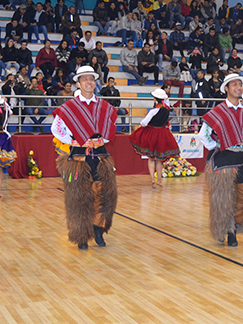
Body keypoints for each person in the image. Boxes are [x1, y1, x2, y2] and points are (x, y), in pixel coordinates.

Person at [51, 66, 118, 250]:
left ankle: (98, 228)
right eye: (85, 79)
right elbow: (56, 129)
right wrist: (74, 141)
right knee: (79, 197)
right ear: (78, 83)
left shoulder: (103, 106)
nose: (89, 82)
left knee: (104, 195)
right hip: (79, 158)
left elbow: (110, 126)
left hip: (101, 156)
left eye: (91, 79)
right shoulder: (69, 107)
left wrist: (98, 141)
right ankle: (81, 234)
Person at [197, 73, 243, 247]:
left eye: (240, 84)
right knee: (223, 199)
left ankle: (234, 222)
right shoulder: (217, 112)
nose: (238, 87)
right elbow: (203, 135)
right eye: (234, 84)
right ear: (226, 88)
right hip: (224, 159)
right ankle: (229, 230)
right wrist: (217, 146)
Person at [130, 89, 181, 188]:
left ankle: (153, 179)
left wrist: (142, 124)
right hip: (162, 134)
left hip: (152, 134)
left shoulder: (153, 111)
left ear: (155, 99)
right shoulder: (166, 110)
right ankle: (159, 180)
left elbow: (144, 122)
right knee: (159, 159)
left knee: (151, 158)